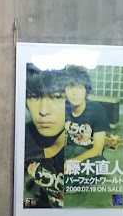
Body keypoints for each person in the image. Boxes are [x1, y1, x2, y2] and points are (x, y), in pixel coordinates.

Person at [23, 66, 67, 208]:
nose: (43, 111)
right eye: (33, 96)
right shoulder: (18, 142)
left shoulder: (87, 146)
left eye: (57, 96)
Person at [63, 65, 108, 165]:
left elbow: (97, 149)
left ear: (86, 89)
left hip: (90, 155)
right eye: (70, 87)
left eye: (79, 87)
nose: (75, 93)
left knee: (100, 163)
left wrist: (72, 163)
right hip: (70, 151)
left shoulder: (97, 110)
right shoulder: (62, 108)